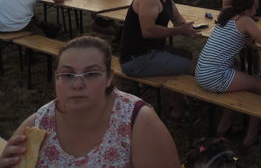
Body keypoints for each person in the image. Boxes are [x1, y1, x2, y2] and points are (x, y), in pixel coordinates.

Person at [0, 36, 180, 167]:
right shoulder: (39, 125)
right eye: (67, 75)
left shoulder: (138, 122)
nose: (78, 84)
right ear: (56, 78)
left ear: (109, 78)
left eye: (91, 73)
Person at [120, 0, 201, 119]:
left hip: (151, 53)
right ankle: (177, 112)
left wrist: (192, 29)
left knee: (186, 55)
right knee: (193, 68)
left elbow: (178, 20)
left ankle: (178, 99)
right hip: (137, 59)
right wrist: (179, 31)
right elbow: (148, 31)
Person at [195, 0, 261, 147]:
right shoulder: (245, 21)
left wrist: (249, 39)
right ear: (246, 9)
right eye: (255, 7)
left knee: (241, 79)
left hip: (201, 71)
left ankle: (224, 126)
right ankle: (251, 136)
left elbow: (237, 38)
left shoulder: (227, 16)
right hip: (214, 76)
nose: (256, 9)